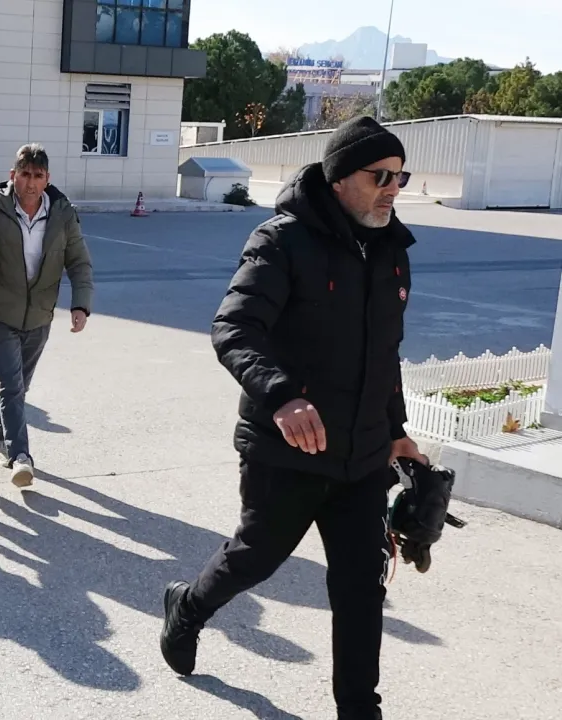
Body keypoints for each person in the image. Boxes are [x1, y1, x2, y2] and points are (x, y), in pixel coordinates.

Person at [159, 116, 428, 720]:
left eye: (400, 177)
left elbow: (384, 354)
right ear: (338, 180)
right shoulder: (281, 241)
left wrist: (397, 431)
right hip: (288, 450)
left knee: (361, 589)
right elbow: (234, 328)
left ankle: (359, 710)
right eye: (379, 176)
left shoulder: (391, 251)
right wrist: (282, 397)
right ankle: (188, 607)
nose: (392, 188)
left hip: (362, 457)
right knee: (256, 556)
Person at [0, 144, 93, 488]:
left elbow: (79, 261)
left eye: (37, 176)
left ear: (47, 179)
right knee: (12, 386)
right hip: (0, 312)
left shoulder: (62, 214)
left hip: (40, 315)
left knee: (20, 386)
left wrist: (81, 304)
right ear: (13, 175)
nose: (30, 182)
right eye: (24, 174)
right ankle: (21, 456)